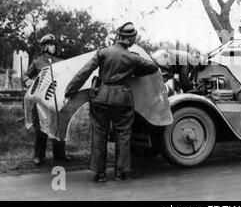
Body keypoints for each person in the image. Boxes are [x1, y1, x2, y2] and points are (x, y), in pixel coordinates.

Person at [64, 22, 159, 182]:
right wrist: (133, 69)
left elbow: (84, 72)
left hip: (100, 97)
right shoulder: (132, 57)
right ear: (132, 39)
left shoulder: (103, 52)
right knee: (123, 134)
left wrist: (70, 90)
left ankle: (100, 174)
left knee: (99, 134)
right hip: (122, 99)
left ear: (119, 37)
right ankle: (120, 172)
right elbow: (153, 67)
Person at [24, 34, 68, 165]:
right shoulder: (37, 62)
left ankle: (60, 156)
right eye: (50, 45)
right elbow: (25, 76)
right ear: (44, 47)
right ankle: (39, 156)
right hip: (41, 102)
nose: (53, 47)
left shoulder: (60, 61)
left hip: (56, 100)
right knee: (41, 130)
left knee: (59, 128)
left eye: (54, 45)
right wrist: (29, 82)